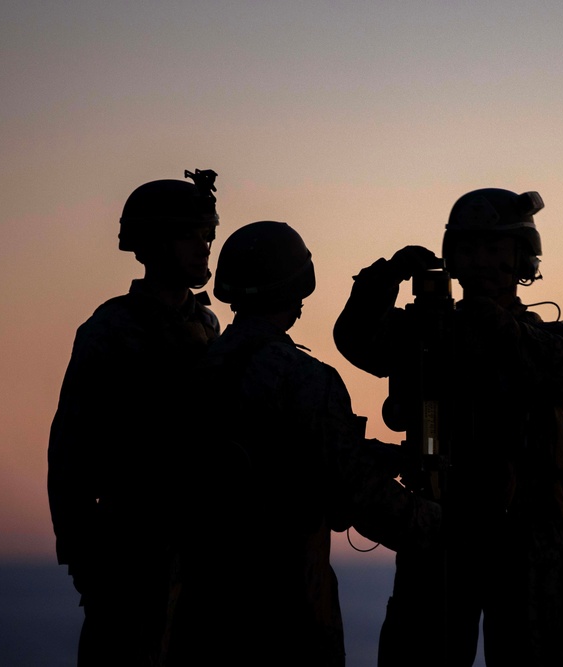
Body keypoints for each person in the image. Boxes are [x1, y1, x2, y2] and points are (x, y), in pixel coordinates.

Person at [333, 188, 563, 666]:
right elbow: (357, 340)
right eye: (468, 249)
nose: (479, 261)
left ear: (521, 258)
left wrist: (506, 330)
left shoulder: (552, 341)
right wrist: (385, 278)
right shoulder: (427, 334)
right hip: (442, 530)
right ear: (451, 257)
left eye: (493, 249)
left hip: (530, 538)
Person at [165, 221, 442, 667]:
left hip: (199, 604)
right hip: (283, 610)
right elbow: (357, 492)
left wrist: (391, 457)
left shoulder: (198, 369)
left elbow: (286, 454)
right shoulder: (305, 378)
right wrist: (442, 527)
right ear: (299, 287)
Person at [48, 170, 221, 666]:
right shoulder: (111, 329)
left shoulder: (207, 325)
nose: (204, 246)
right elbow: (71, 454)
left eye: (207, 234)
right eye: (191, 234)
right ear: (153, 243)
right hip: (131, 553)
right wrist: (86, 561)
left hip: (201, 554)